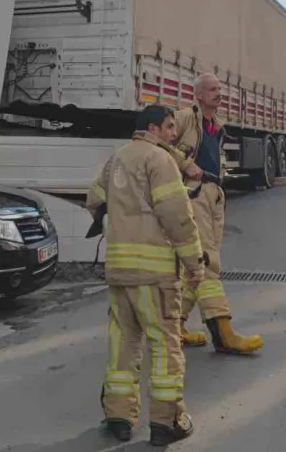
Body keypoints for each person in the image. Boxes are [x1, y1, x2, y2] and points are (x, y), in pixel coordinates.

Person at [86, 105, 205, 446]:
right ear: (153, 128)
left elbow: (94, 199)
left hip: (119, 272)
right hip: (154, 276)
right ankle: (167, 423)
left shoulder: (118, 158)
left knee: (123, 344)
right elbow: (177, 218)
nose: (173, 133)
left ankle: (119, 417)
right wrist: (195, 262)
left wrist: (112, 221)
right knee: (165, 346)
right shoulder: (161, 160)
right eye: (169, 127)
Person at [166, 73, 264, 354]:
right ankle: (223, 332)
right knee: (206, 260)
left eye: (220, 89)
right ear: (197, 95)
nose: (218, 93)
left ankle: (176, 327)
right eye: (212, 89)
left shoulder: (215, 125)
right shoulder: (184, 117)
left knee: (192, 268)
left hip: (213, 195)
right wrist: (185, 164)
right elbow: (158, 144)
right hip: (193, 194)